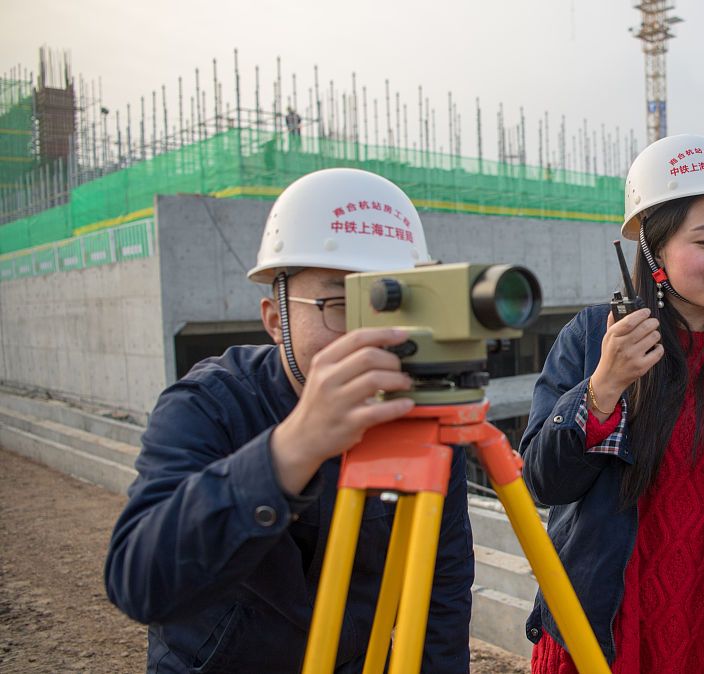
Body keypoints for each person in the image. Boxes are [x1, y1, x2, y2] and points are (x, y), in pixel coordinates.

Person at [104, 168, 473, 673]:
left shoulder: (421, 420)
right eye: (341, 304)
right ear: (275, 319)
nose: (371, 335)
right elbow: (139, 583)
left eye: (394, 303)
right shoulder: (210, 404)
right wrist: (293, 449)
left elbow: (440, 591)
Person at [520, 134, 704, 674]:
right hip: (601, 634)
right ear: (654, 251)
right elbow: (543, 482)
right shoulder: (593, 337)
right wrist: (602, 387)